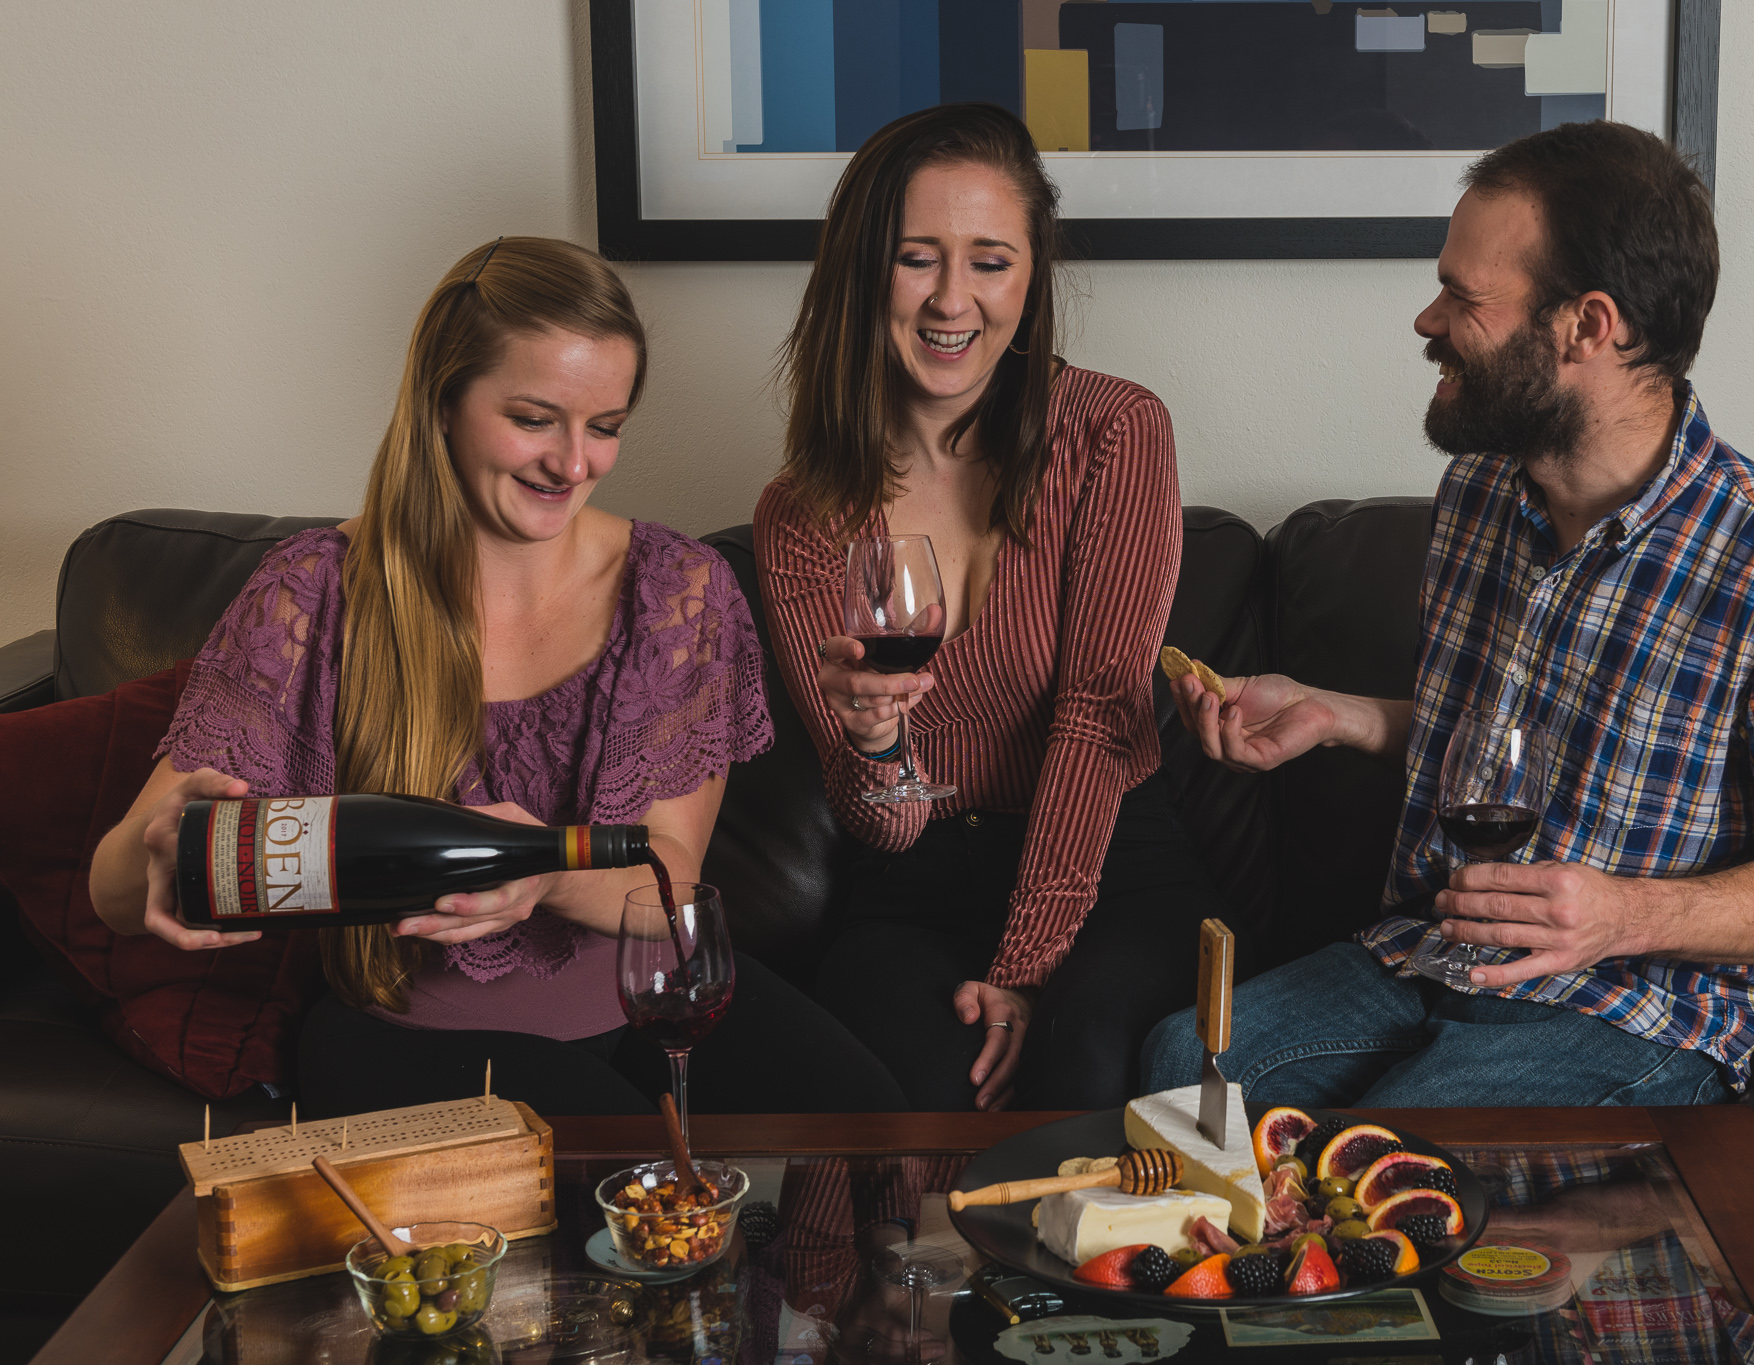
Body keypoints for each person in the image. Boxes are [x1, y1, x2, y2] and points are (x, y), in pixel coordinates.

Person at [1144, 121, 1754, 1107]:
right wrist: (1334, 714)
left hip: (1632, 1002)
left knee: (1397, 1153)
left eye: (1462, 298)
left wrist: (1618, 915)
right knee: (1178, 1070)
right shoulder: (1479, 494)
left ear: (1585, 327)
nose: (1425, 319)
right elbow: (1494, 749)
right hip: (1430, 949)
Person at [89, 236, 908, 1117]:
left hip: (647, 997)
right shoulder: (313, 593)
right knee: (637, 1198)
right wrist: (162, 869)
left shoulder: (678, 591)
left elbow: (669, 876)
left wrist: (545, 877)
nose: (573, 464)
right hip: (404, 1039)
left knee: (877, 1131)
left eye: (604, 428)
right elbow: (113, 886)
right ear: (444, 401)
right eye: (533, 418)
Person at [753, 104, 1228, 1113]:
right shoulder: (799, 517)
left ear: (1032, 276)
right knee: (920, 1090)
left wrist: (1022, 963)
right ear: (859, 270)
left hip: (1110, 871)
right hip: (911, 887)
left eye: (991, 261)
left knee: (1085, 1053)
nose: (951, 301)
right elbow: (877, 825)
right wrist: (876, 746)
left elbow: (1099, 715)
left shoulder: (1110, 431)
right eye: (916, 258)